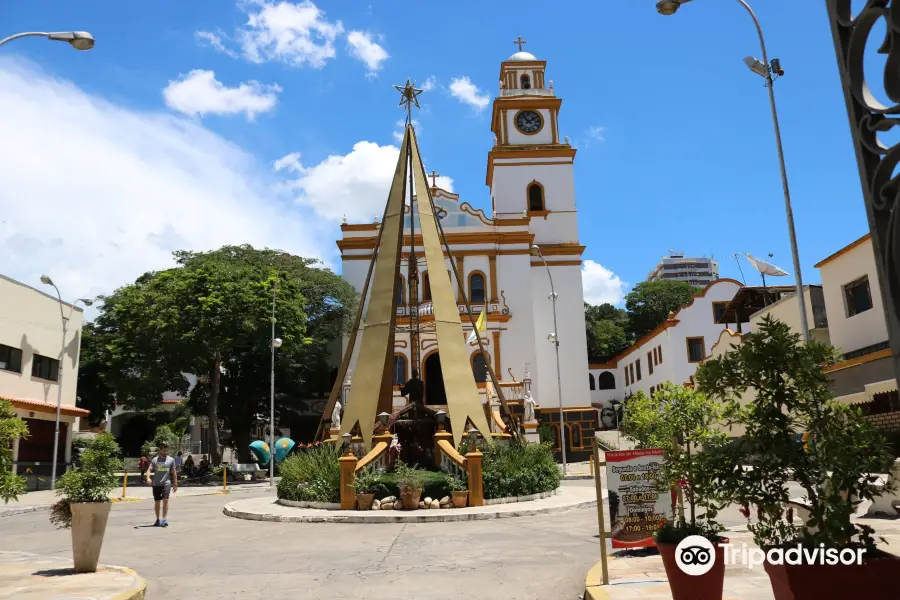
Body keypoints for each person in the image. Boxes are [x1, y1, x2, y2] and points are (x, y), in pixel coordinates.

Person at [145, 442, 178, 527]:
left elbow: (174, 472)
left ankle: (164, 519)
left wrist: (175, 484)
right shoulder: (155, 460)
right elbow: (149, 470)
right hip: (156, 484)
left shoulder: (171, 460)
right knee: (157, 501)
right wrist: (148, 478)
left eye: (167, 450)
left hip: (166, 483)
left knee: (166, 500)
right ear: (160, 450)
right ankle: (157, 520)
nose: (165, 452)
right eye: (164, 450)